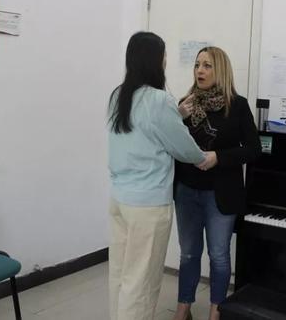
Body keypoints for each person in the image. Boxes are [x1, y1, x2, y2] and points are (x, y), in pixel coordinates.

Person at [107, 32, 206, 320]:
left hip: (120, 199)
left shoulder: (119, 95)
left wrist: (177, 114)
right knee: (141, 281)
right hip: (148, 206)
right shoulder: (159, 100)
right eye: (163, 57)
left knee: (121, 274)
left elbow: (144, 128)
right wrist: (204, 158)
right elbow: (183, 148)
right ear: (155, 61)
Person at [172, 47, 261, 320]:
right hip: (186, 190)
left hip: (220, 194)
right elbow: (171, 142)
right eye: (197, 64)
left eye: (207, 65)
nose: (199, 70)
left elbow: (254, 149)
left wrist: (218, 157)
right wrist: (176, 117)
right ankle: (183, 308)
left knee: (219, 255)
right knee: (188, 254)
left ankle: (216, 311)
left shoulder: (238, 105)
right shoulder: (186, 104)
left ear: (220, 70)